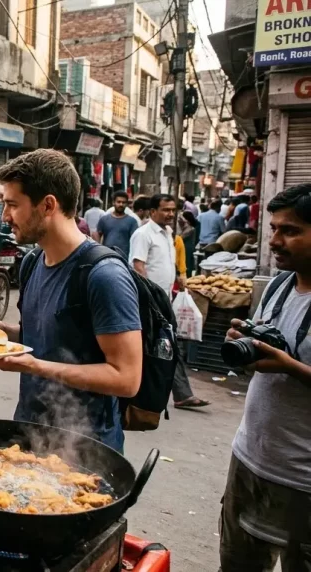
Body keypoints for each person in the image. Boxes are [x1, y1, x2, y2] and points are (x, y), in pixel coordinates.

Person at [0, 150, 143, 452]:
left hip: (86, 448)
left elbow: (126, 378)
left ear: (48, 205)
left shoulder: (104, 275)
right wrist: (2, 332)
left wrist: (36, 367)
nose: (5, 217)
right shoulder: (32, 262)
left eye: (13, 205)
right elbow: (41, 338)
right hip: (29, 433)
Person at [220, 183, 311, 572]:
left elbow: (284, 363)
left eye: (290, 231)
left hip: (303, 480)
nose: (274, 240)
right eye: (273, 229)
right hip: (249, 459)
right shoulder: (277, 286)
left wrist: (288, 365)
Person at [129, 194, 209, 410]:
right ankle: (142, 394)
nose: (170, 214)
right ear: (152, 211)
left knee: (163, 345)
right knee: (161, 345)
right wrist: (151, 298)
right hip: (150, 302)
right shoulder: (143, 234)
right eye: (165, 210)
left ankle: (177, 393)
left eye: (173, 210)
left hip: (164, 299)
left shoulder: (169, 234)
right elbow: (138, 266)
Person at [96, 191, 139, 256]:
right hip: (106, 257)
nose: (121, 204)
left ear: (126, 204)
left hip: (124, 259)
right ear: (113, 203)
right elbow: (97, 235)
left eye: (123, 202)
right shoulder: (104, 219)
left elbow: (135, 241)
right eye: (118, 202)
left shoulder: (132, 221)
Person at [179, 210, 199, 277]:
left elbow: (180, 237)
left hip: (187, 249)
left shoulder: (190, 229)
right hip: (188, 248)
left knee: (186, 265)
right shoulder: (188, 228)